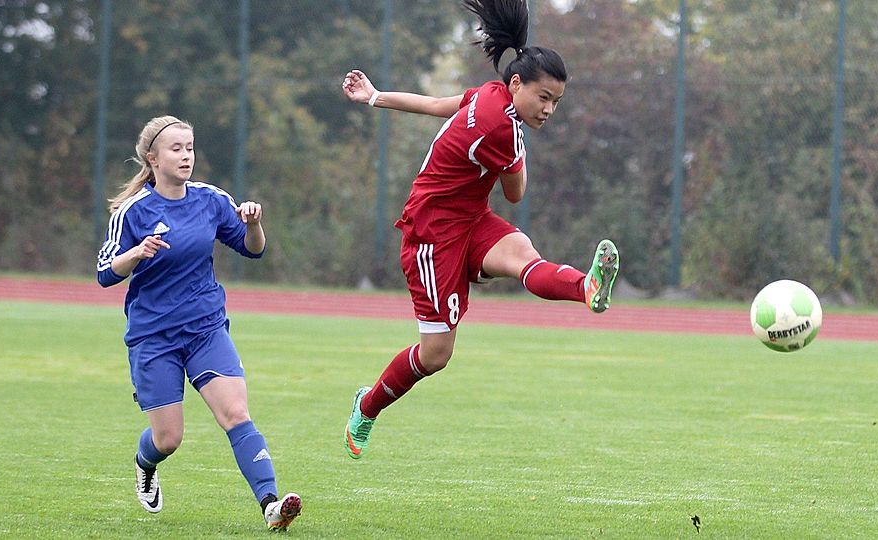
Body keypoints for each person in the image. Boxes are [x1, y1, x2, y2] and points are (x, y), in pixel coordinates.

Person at [339, 0, 620, 460]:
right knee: (435, 356)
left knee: (523, 255)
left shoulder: (490, 94)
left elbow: (437, 105)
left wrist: (375, 96)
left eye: (556, 101)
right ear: (516, 84)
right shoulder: (500, 128)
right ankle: (366, 407)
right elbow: (516, 193)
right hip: (431, 234)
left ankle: (586, 287)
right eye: (544, 98)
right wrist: (518, 149)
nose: (549, 109)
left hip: (470, 217)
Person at [96, 115, 301, 530]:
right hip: (154, 336)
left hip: (205, 328)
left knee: (236, 413)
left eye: (189, 147)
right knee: (168, 439)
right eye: (176, 149)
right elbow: (104, 273)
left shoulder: (211, 199)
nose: (186, 156)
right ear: (153, 158)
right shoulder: (133, 211)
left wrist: (254, 224)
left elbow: (253, 249)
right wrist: (136, 253)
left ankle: (271, 505)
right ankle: (145, 463)